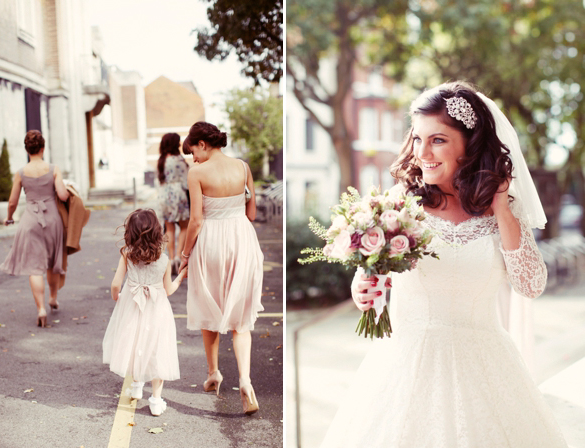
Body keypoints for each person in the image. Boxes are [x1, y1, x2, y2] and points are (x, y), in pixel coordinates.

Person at [320, 82, 568, 447]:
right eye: (417, 139)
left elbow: (530, 285)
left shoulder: (503, 210)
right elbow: (369, 284)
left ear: (469, 143)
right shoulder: (401, 202)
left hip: (487, 371)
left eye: (437, 140)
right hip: (405, 369)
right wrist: (363, 289)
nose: (423, 152)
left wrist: (501, 207)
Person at [178, 121, 264, 415]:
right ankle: (245, 381)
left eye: (193, 152)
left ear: (202, 144)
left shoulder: (197, 173)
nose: (193, 159)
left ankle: (214, 373)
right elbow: (251, 212)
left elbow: (196, 220)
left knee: (208, 304)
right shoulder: (243, 167)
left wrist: (185, 254)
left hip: (211, 243)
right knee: (241, 319)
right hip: (241, 238)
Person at [102, 209, 186, 416]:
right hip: (157, 309)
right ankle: (156, 400)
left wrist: (117, 297)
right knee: (156, 349)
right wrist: (180, 277)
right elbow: (168, 290)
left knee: (135, 343)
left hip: (132, 307)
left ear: (130, 232)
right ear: (157, 232)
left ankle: (137, 386)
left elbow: (115, 284)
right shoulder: (164, 260)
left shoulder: (127, 255)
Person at [0, 130, 69, 328]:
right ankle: (53, 297)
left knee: (34, 266)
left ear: (26, 150)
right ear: (43, 147)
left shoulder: (21, 173)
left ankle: (40, 309)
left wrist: (9, 217)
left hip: (30, 221)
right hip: (52, 219)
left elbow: (13, 201)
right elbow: (63, 195)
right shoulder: (54, 168)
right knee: (51, 262)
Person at [157, 132, 190, 274]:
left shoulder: (162, 160)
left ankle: (170, 260)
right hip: (178, 194)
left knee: (169, 228)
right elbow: (186, 181)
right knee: (184, 227)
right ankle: (178, 257)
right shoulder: (179, 160)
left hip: (164, 195)